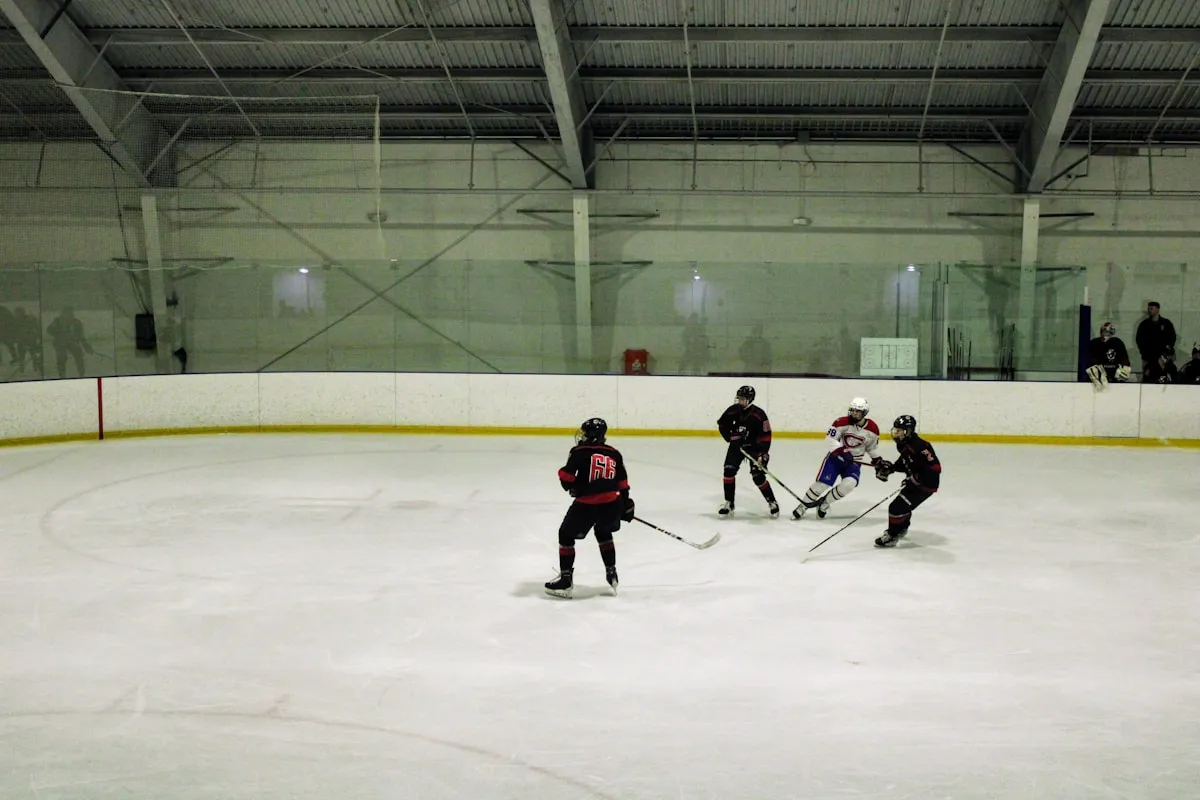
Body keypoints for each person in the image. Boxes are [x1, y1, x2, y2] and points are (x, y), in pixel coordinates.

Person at [545, 417, 633, 599]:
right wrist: (626, 505)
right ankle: (612, 573)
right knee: (603, 531)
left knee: (565, 535)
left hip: (587, 505)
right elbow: (623, 484)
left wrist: (572, 482)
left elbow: (567, 480)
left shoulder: (579, 451)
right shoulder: (615, 453)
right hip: (612, 504)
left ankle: (566, 581)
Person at [792, 397, 882, 520]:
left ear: (864, 413)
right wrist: (843, 452)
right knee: (822, 485)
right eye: (853, 410)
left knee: (849, 484)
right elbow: (829, 440)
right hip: (835, 459)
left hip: (854, 463)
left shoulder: (873, 429)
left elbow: (871, 448)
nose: (855, 413)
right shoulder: (841, 422)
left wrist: (878, 461)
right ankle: (803, 506)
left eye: (858, 411)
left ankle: (824, 504)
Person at [873, 415, 941, 548]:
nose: (896, 433)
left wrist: (915, 480)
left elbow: (935, 468)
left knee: (896, 508)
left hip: (927, 484)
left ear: (909, 431)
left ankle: (892, 536)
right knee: (902, 506)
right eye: (896, 430)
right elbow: (906, 461)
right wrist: (891, 468)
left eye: (900, 431)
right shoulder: (902, 444)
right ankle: (901, 528)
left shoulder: (921, 446)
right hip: (915, 482)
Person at [716, 385, 779, 518]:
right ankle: (729, 503)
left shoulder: (759, 414)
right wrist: (730, 437)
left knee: (758, 476)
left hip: (754, 449)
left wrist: (763, 454)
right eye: (739, 398)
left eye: (743, 399)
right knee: (728, 471)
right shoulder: (733, 410)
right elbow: (722, 424)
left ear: (750, 399)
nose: (740, 401)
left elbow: (766, 435)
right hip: (736, 446)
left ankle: (772, 502)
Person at [1135, 302, 1176, 380]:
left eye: (1151, 308)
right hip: (1149, 357)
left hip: (1164, 357)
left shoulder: (1166, 323)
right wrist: (1144, 352)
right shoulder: (1144, 324)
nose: (1149, 310)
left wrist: (1167, 352)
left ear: (1157, 309)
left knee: (1165, 376)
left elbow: (1172, 338)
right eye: (1148, 309)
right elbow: (1139, 340)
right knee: (1148, 376)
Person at [1085, 321, 1132, 386]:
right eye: (1104, 331)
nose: (1105, 334)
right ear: (1100, 332)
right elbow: (1091, 365)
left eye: (1108, 332)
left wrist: (1119, 371)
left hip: (1116, 382)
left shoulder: (1117, 343)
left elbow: (1126, 365)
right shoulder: (1094, 344)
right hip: (1099, 382)